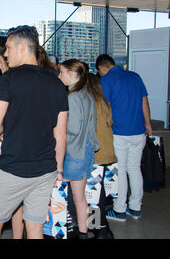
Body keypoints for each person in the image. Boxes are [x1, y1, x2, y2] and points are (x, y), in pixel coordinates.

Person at [0, 25, 68, 239]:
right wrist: (58, 170)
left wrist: (4, 133)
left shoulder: (8, 79)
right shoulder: (57, 84)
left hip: (14, 167)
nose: (5, 53)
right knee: (35, 227)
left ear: (22, 47)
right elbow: (60, 133)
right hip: (45, 169)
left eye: (8, 47)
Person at [96, 54, 152, 221]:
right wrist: (148, 125)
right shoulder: (135, 76)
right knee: (134, 168)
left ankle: (120, 209)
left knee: (121, 170)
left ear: (101, 69)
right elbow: (144, 102)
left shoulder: (106, 80)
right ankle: (135, 207)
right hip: (139, 131)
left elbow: (107, 107)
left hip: (119, 132)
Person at [58, 59, 99, 239]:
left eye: (62, 72)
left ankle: (74, 230)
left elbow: (72, 128)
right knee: (80, 197)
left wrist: (56, 128)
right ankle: (83, 232)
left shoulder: (72, 97)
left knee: (69, 196)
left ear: (73, 74)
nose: (59, 76)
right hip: (86, 149)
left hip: (74, 152)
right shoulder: (87, 94)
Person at [86, 73, 116, 239]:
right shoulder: (103, 101)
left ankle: (102, 230)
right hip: (108, 152)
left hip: (97, 154)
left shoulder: (90, 102)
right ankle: (98, 228)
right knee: (98, 193)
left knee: (94, 196)